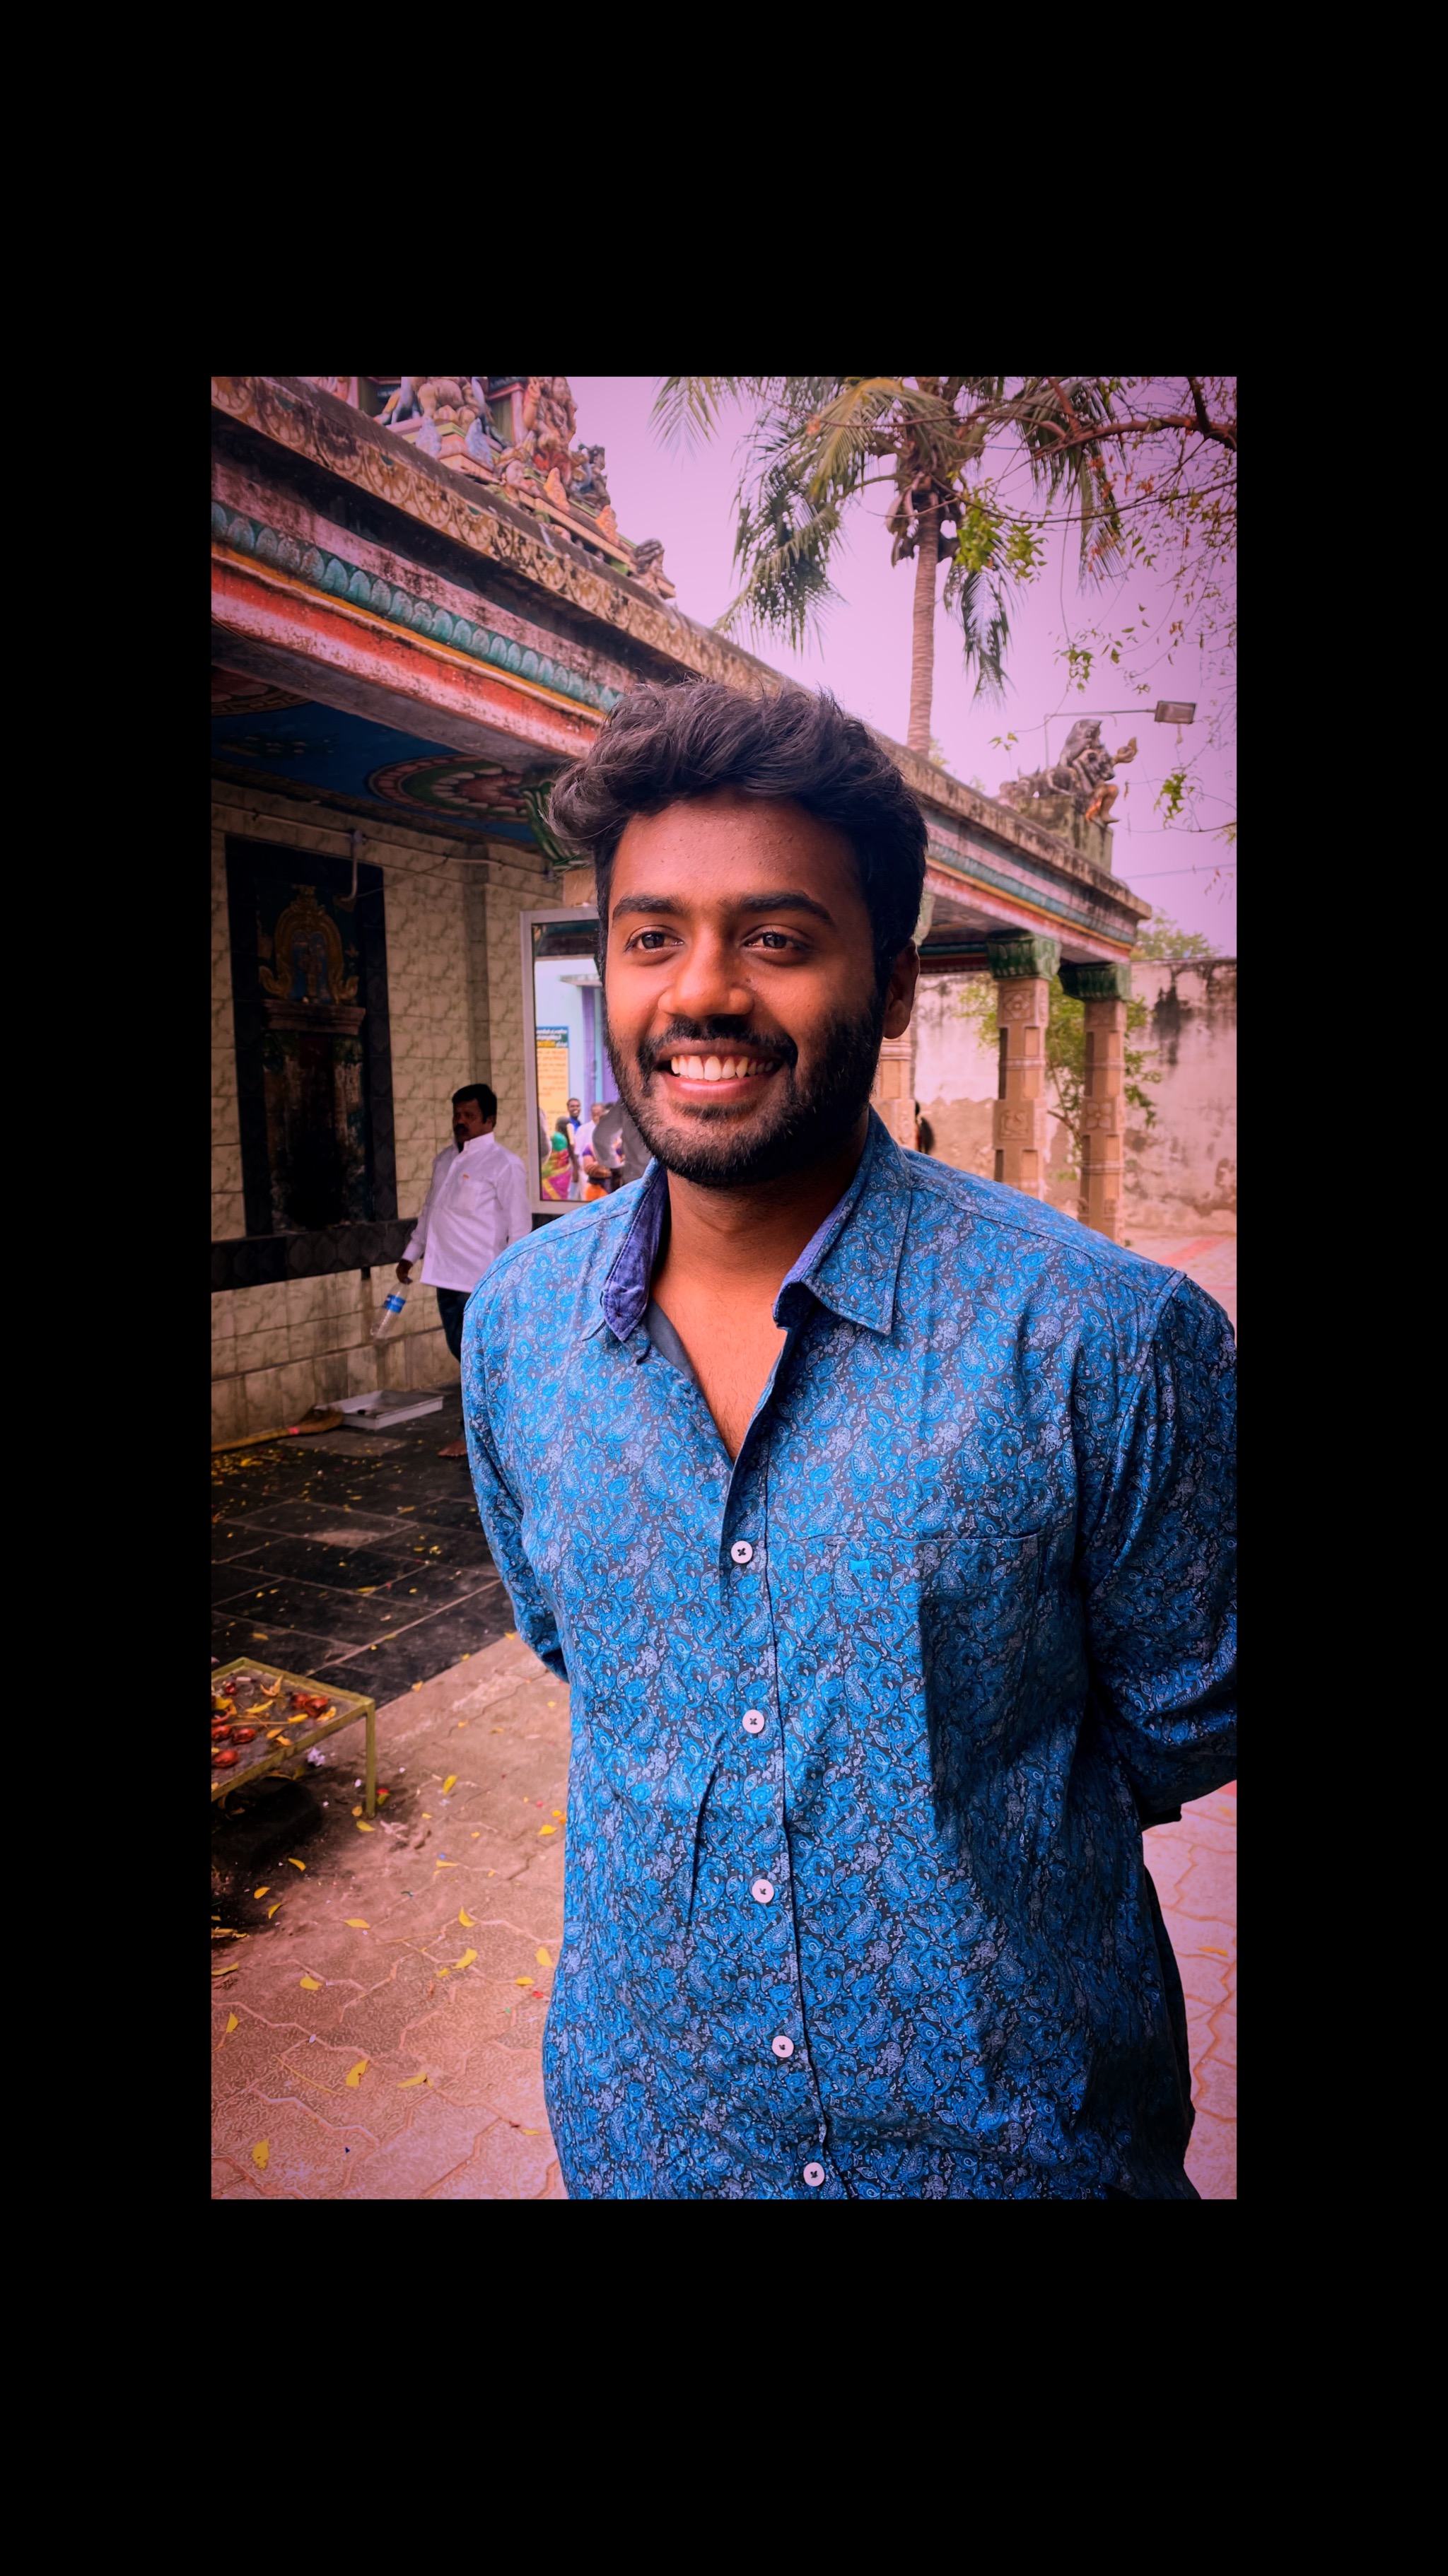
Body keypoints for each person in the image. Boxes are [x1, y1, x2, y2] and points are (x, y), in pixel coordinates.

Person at [461, 683, 1236, 2201]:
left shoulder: (1100, 1339)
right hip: (652, 2138)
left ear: (886, 985)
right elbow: (579, 1646)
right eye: (650, 937)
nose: (701, 993)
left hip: (1013, 2155)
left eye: (774, 937)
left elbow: (1187, 1712)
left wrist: (962, 1814)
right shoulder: (518, 1330)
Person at [398, 1082, 528, 1458]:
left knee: (476, 1359)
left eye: (469, 1115)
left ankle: (473, 1435)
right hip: (444, 1276)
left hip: (481, 1280)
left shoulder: (504, 1164)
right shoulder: (445, 1160)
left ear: (490, 1121)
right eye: (457, 1114)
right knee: (465, 1355)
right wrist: (411, 1254)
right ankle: (501, 1425)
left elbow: (519, 1229)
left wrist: (510, 1281)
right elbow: (430, 1212)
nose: (461, 1121)